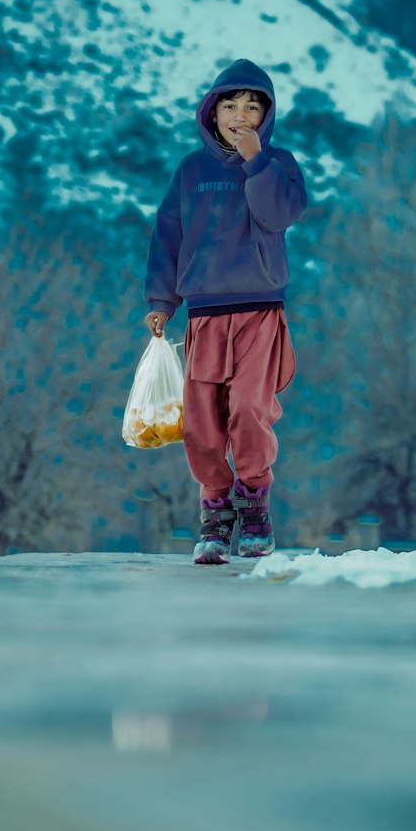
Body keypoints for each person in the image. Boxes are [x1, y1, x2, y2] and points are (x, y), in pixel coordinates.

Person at [143, 59, 307, 565]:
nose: (241, 114)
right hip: (203, 314)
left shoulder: (279, 164)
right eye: (230, 106)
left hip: (260, 311)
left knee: (249, 411)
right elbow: (168, 234)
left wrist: (255, 160)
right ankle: (216, 512)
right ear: (211, 115)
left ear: (266, 116)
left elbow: (279, 214)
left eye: (252, 106)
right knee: (202, 422)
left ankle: (254, 502)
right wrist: (160, 301)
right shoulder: (191, 170)